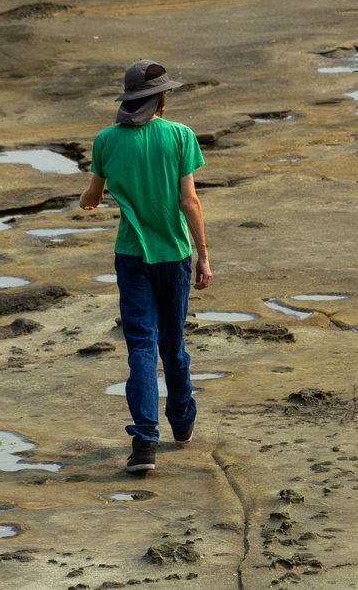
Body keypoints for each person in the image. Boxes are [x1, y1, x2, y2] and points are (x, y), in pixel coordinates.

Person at [79, 59, 212, 473]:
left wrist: (91, 198)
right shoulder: (180, 136)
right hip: (173, 254)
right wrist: (203, 254)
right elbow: (188, 201)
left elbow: (93, 194)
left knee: (140, 347)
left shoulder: (106, 140)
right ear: (161, 98)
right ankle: (183, 420)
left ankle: (144, 444)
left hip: (131, 256)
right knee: (172, 345)